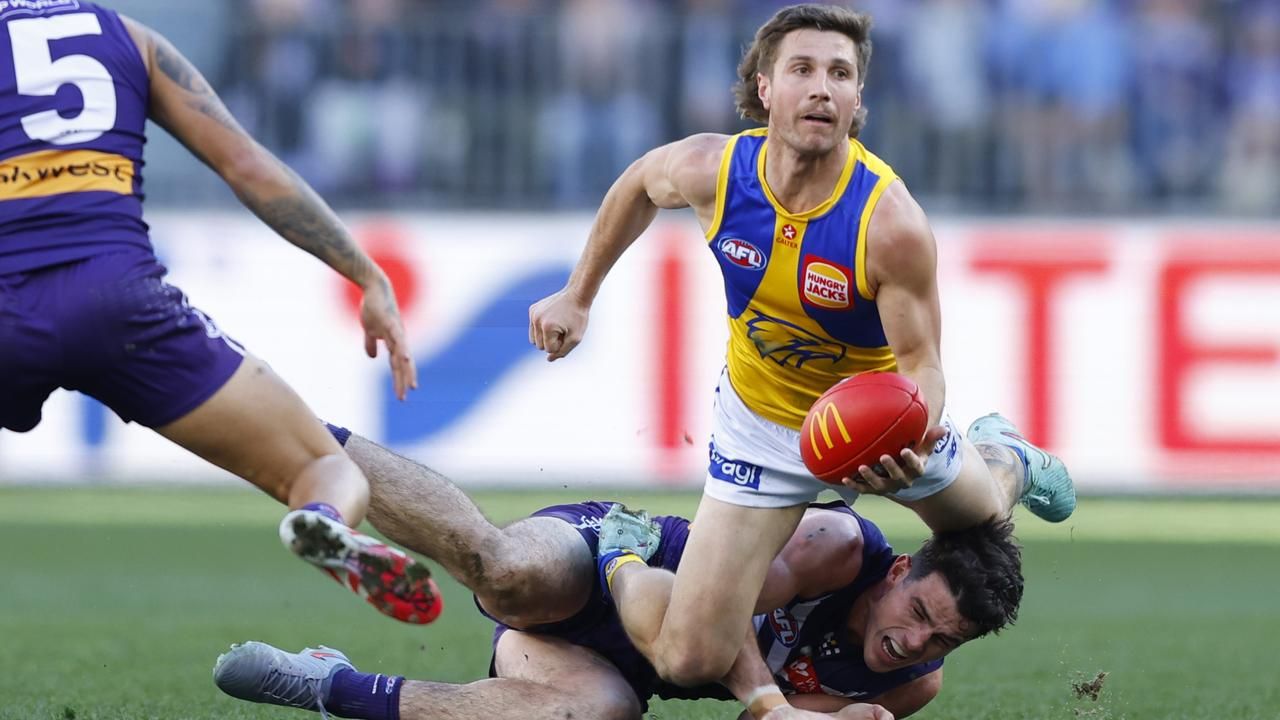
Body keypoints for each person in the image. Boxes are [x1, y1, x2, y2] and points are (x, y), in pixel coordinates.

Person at [527, 3, 1073, 685]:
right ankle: (623, 552)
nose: (822, 88)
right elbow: (639, 182)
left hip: (870, 431)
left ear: (858, 98)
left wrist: (910, 439)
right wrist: (578, 294)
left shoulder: (888, 223)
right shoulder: (713, 171)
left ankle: (1007, 454)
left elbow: (923, 367)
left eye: (840, 74)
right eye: (803, 70)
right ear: (764, 87)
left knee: (986, 514)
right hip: (761, 429)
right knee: (688, 659)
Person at [0, 2, 437, 624]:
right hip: (123, 304)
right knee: (322, 466)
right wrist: (366, 274)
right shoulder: (133, 39)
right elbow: (247, 165)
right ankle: (322, 520)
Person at [211, 428, 1023, 720]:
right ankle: (301, 436)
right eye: (920, 612)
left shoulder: (909, 684)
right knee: (505, 573)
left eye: (941, 640)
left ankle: (329, 685)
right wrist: (771, 703)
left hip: (631, 657)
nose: (913, 642)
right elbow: (709, 615)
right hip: (616, 556)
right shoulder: (835, 547)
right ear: (901, 569)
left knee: (602, 711)